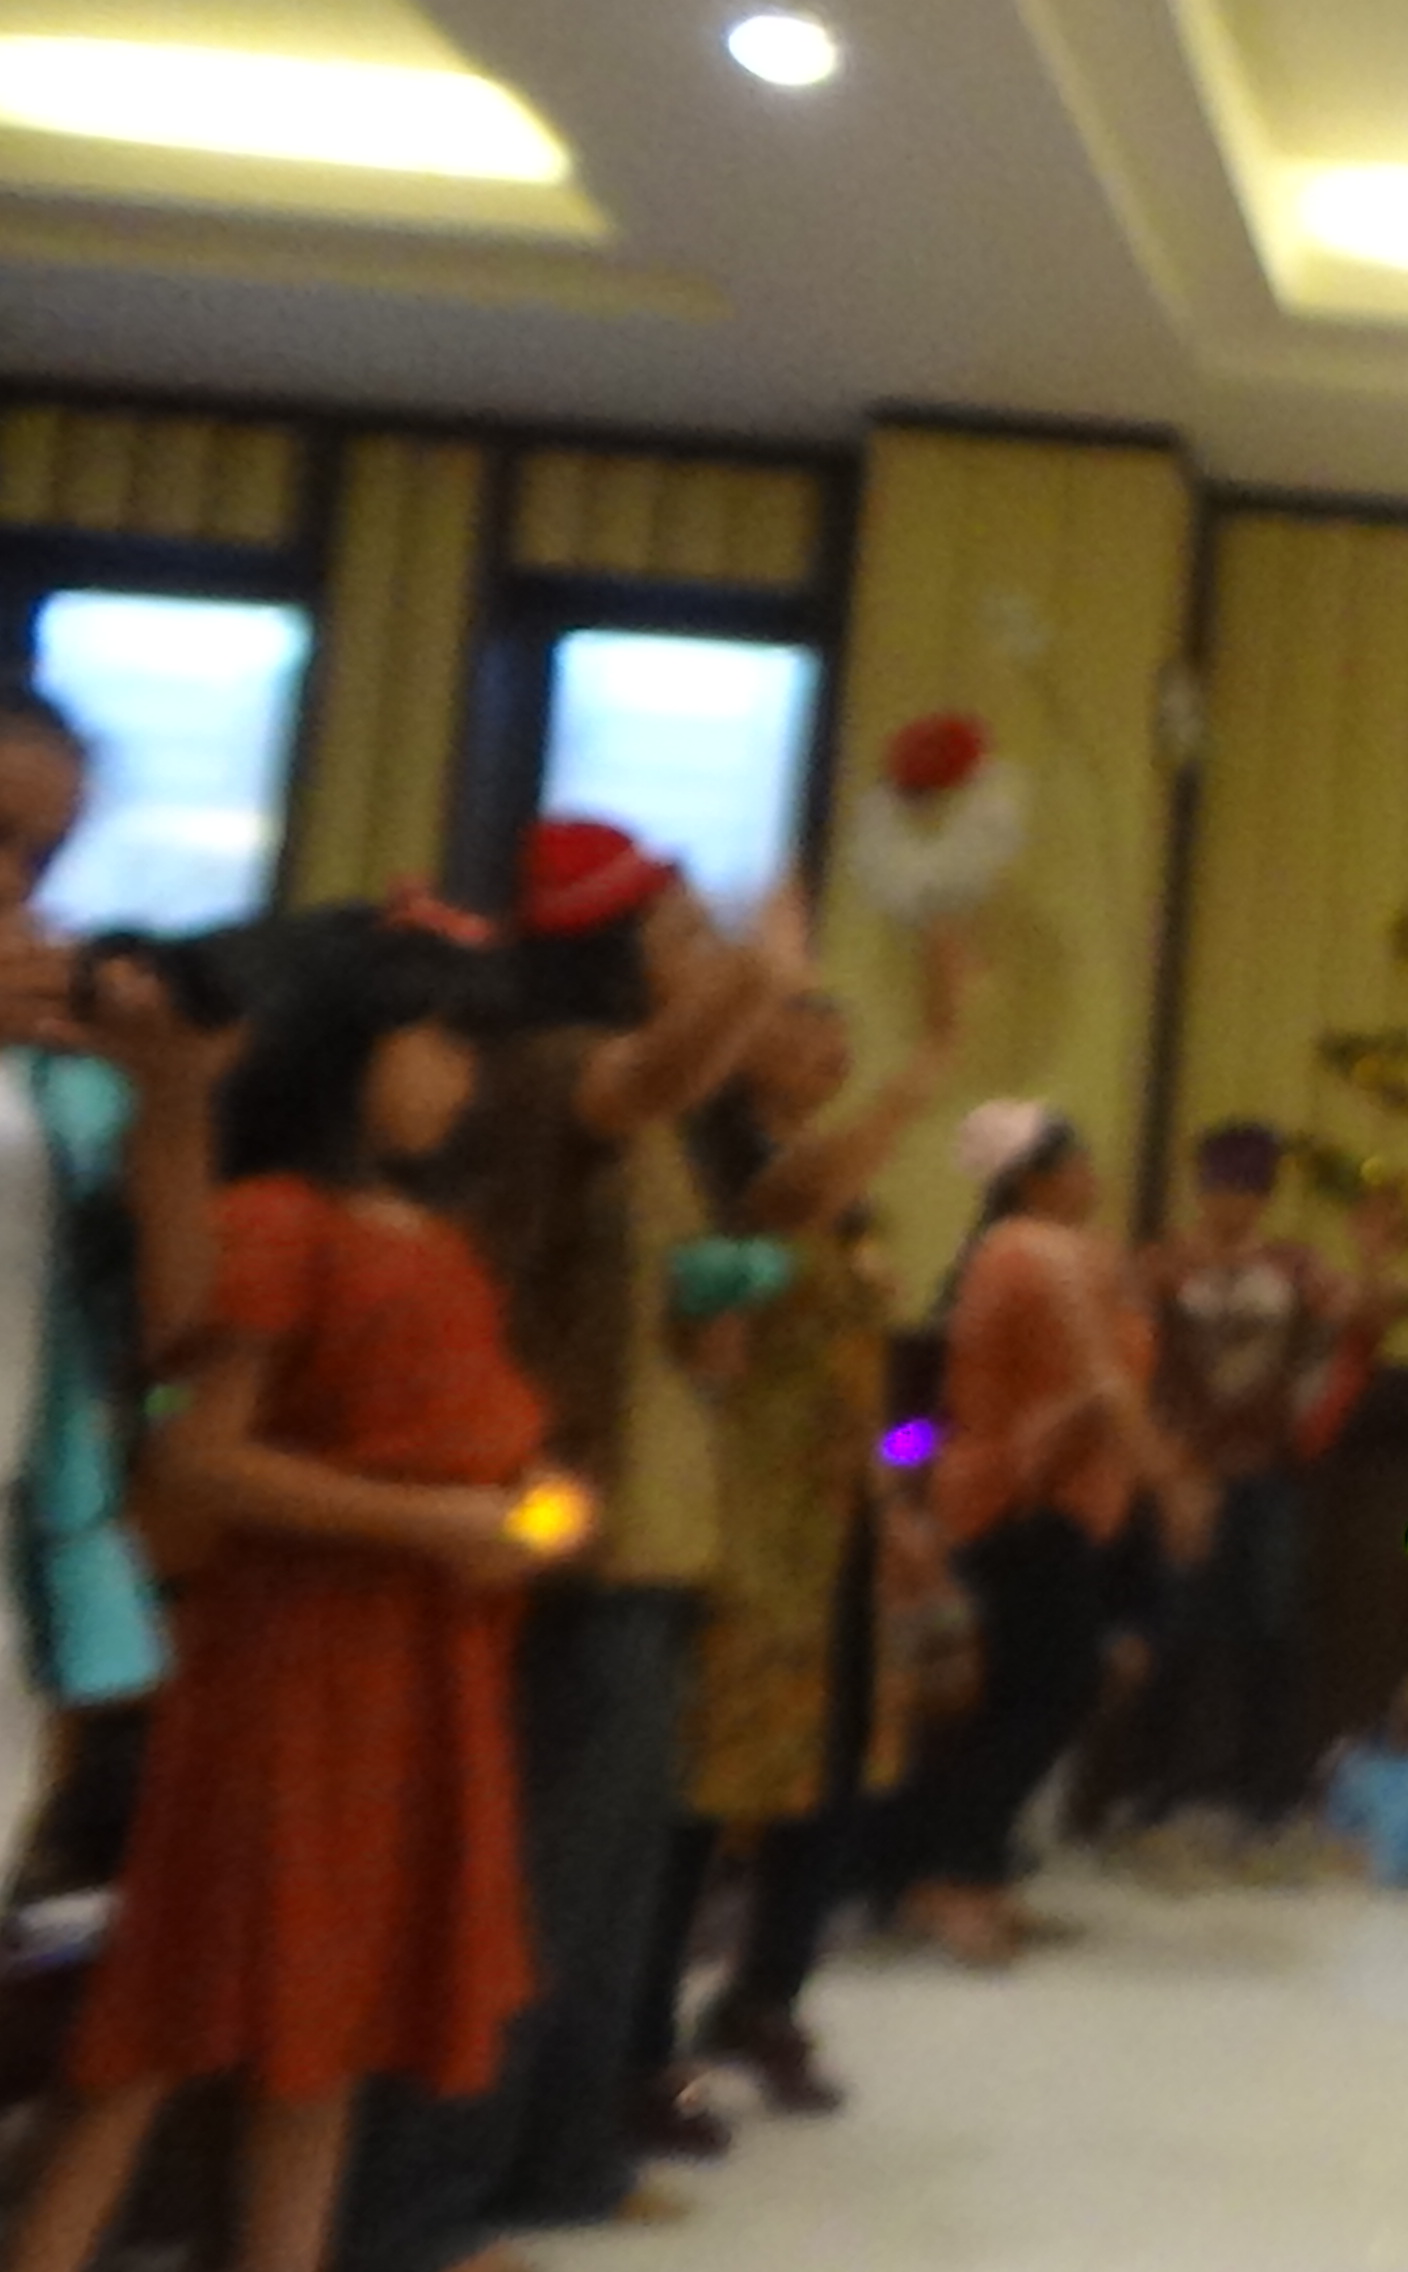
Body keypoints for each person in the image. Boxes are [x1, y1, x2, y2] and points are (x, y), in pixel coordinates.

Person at [6, 901, 583, 2272]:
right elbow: (199, 1456)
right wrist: (432, 1520)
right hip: (293, 1665)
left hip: (411, 1661)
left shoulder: (428, 1236)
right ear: (349, 1044)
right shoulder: (277, 1220)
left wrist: (537, 1513)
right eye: (439, 1041)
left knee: (330, 2025)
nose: (463, 1078)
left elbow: (484, 1442)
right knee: (171, 2009)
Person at [342, 820, 800, 2271]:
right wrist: (765, 972)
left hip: (649, 1544)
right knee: (530, 1890)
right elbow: (651, 1072)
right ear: (608, 949)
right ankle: (429, 2210)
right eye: (679, 934)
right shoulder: (553, 1067)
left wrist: (709, 1333)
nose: (704, 960)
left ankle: (562, 2163)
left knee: (603, 1895)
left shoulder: (657, 1118)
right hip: (566, 1551)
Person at [623, 929, 973, 2124]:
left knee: (828, 1773)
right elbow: (790, 1203)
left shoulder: (846, 1194)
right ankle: (638, 2042)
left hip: (834, 1523)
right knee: (712, 1778)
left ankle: (766, 1996)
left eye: (836, 1020)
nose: (827, 1038)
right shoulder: (720, 1163)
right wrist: (931, 1056)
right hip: (738, 1515)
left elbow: (859, 1374)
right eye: (799, 1013)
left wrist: (896, 1496)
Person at [874, 1101, 1200, 1967]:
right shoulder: (1035, 1250)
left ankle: (966, 1870)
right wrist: (1171, 1483)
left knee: (1018, 1692)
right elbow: (1101, 1385)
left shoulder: (1028, 1251)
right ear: (1032, 1178)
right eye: (1078, 1163)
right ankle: (951, 1873)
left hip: (1048, 1497)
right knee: (1046, 1690)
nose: (1094, 1177)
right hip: (1026, 1497)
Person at [0, 686, 228, 1904]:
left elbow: (174, 1325)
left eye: (44, 855)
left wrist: (172, 1100)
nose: (16, 882)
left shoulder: (53, 1070)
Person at [1104, 1123, 1388, 1877]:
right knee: (1173, 1628)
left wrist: (1374, 1258)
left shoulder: (1294, 1268)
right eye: (1224, 1186)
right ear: (1201, 1188)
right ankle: (1153, 1794)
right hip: (1180, 1474)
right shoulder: (1160, 1267)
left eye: (1251, 1188)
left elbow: (1362, 1322)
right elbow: (1118, 1350)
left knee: (1272, 1629)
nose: (1235, 1202)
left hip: (1268, 1474)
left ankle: (1268, 1801)